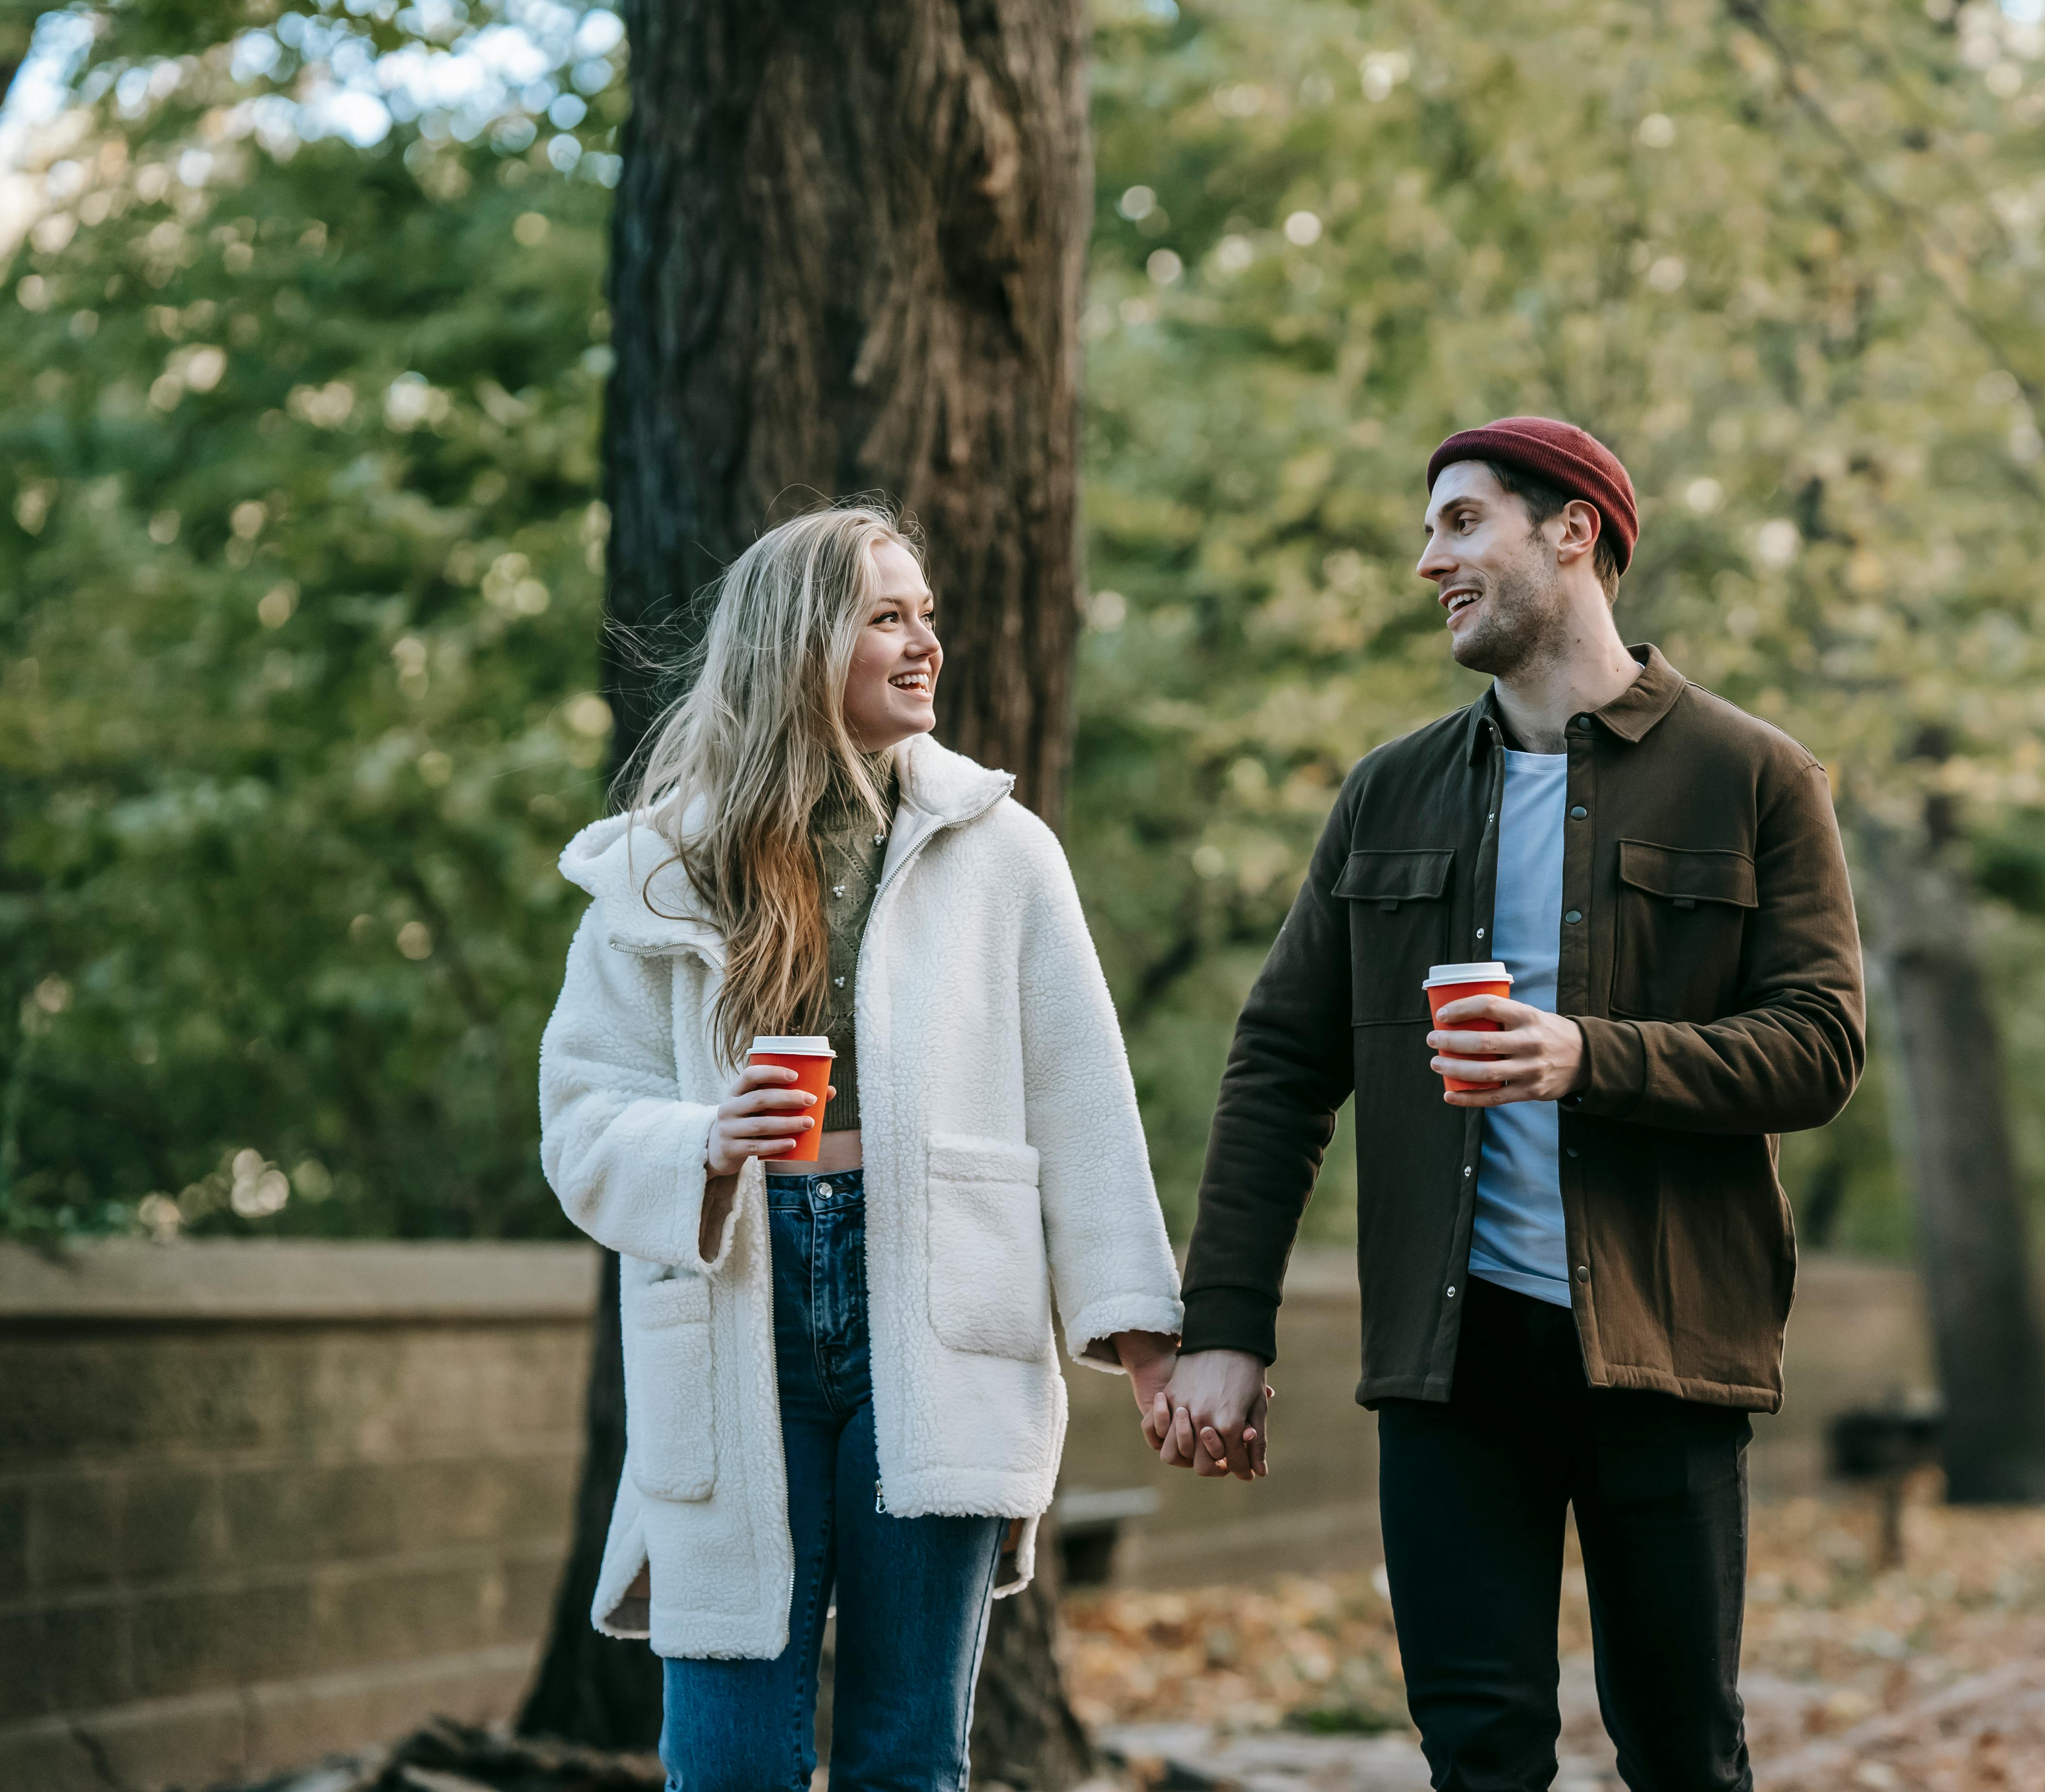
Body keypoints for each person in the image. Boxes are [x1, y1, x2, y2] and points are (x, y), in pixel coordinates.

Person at [1161, 419, 1867, 1791]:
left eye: (1461, 522)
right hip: (1453, 1363)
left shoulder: (1754, 776)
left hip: (1663, 1348)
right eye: (1432, 532)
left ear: (1574, 533)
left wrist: (1586, 1055)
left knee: (1682, 1752)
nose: (1431, 561)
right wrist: (1226, 1331)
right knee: (1477, 1756)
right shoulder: (1390, 793)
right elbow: (1278, 1066)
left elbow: (1820, 1046)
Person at [538, 503, 1183, 1792]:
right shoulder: (660, 869)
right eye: (887, 616)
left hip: (939, 1305)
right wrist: (707, 1142)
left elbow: (1083, 1102)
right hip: (734, 1306)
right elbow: (580, 1114)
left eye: (925, 615)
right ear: (797, 643)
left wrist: (1148, 1343)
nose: (925, 642)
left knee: (905, 1758)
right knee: (723, 1765)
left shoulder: (1004, 854)